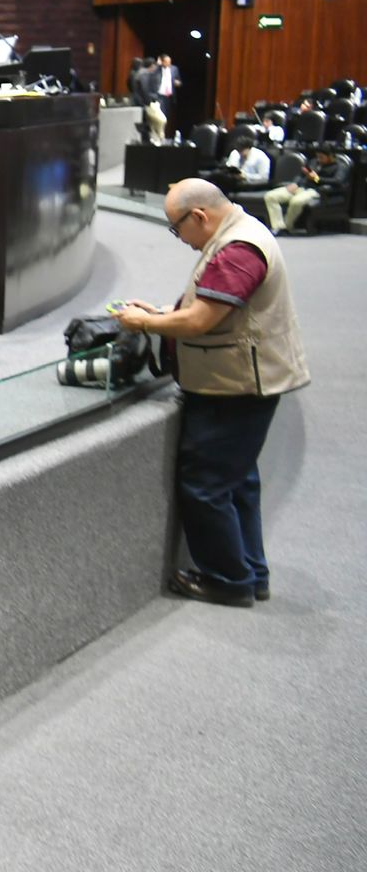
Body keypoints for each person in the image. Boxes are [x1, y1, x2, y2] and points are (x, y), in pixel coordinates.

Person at [112, 178, 309, 607]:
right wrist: (161, 312)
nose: (179, 237)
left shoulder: (237, 249)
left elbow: (201, 320)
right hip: (240, 382)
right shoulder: (242, 233)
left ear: (199, 216)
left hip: (233, 388)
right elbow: (219, 310)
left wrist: (145, 323)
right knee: (238, 483)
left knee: (207, 487)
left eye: (176, 227)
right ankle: (251, 572)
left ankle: (228, 580)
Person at [263, 148, 350, 234]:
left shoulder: (340, 166)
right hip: (300, 187)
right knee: (270, 196)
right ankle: (278, 226)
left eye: (321, 157)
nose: (319, 159)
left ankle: (287, 226)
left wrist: (316, 179)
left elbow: (337, 181)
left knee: (296, 201)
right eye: (318, 157)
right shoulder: (314, 162)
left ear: (330, 156)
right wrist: (295, 183)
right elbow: (300, 175)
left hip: (315, 190)